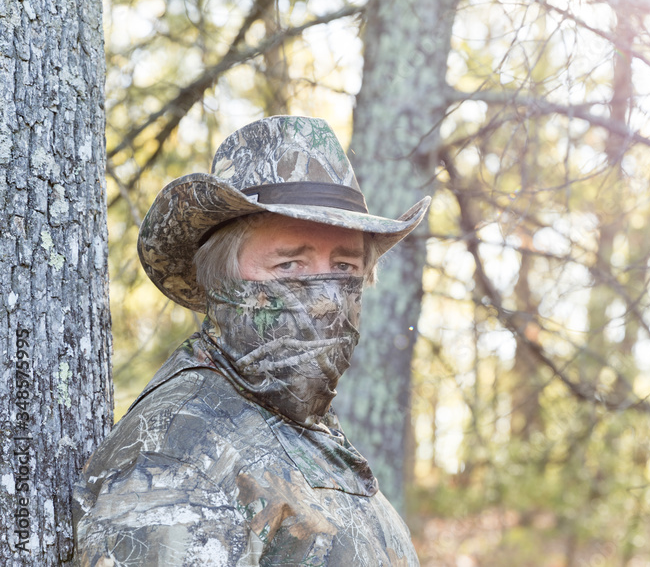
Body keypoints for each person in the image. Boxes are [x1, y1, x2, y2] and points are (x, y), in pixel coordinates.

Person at [72, 116, 429, 566]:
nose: (324, 302)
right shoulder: (179, 456)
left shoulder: (303, 430)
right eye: (290, 266)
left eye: (344, 268)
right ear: (222, 278)